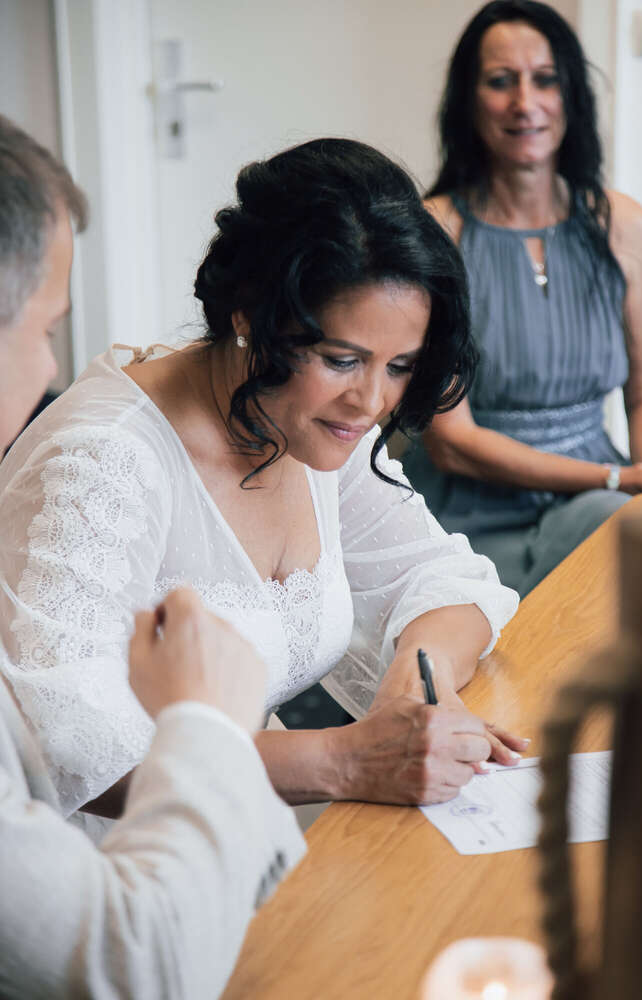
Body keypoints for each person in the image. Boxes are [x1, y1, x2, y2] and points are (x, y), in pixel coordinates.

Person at [0, 136, 524, 824]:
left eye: (398, 366)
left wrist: (411, 680)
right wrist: (349, 759)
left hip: (254, 818)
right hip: (119, 869)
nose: (370, 403)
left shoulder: (311, 423)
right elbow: (73, 754)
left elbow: (444, 580)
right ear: (251, 314)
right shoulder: (102, 462)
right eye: (342, 358)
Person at [0, 115, 305, 998]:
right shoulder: (101, 454)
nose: (54, 371)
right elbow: (138, 965)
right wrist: (204, 720)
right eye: (47, 328)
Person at [402, 0, 642, 597]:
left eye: (544, 79)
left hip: (600, 496)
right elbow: (453, 443)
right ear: (468, 100)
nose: (526, 103)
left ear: (571, 93)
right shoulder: (434, 230)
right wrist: (622, 478)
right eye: (500, 82)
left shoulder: (623, 224)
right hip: (467, 515)